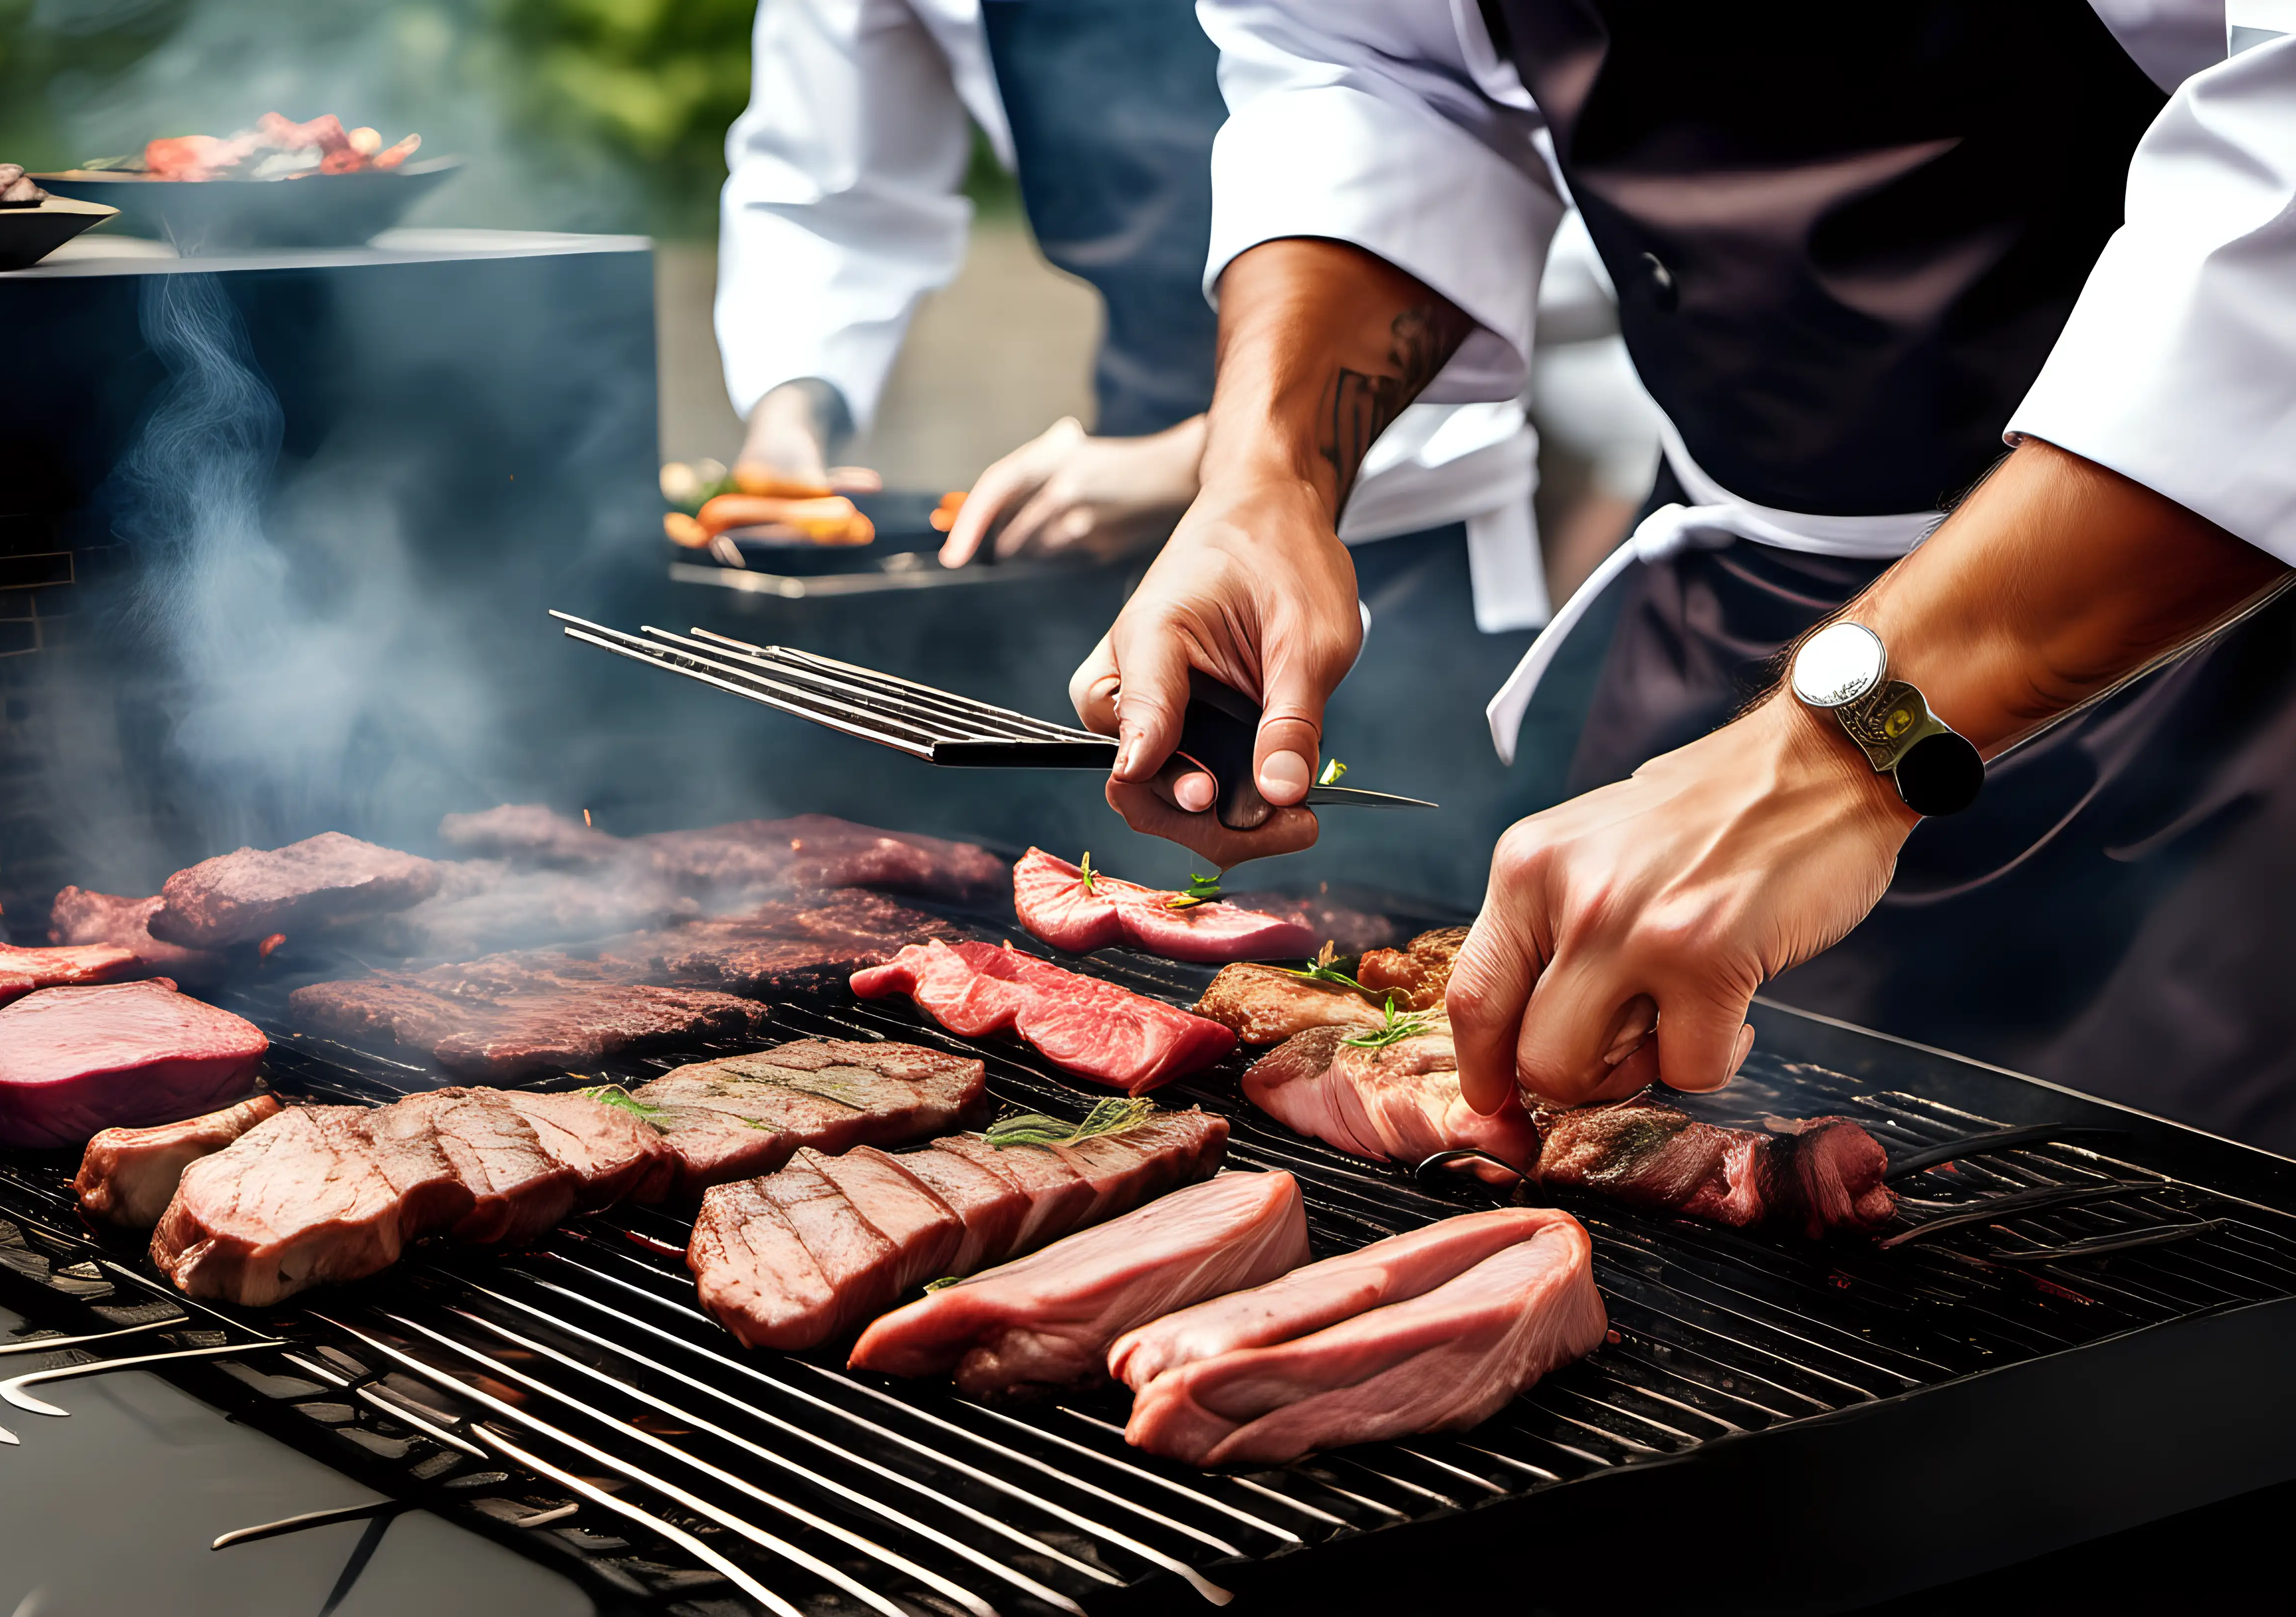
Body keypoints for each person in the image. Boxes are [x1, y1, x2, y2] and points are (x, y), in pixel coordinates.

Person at [1082, 3, 2296, 1147]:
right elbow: (1379, 81)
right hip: (1726, 613)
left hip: (2206, 643)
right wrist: (1266, 482)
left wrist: (1832, 752)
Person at [712, 0, 1558, 898]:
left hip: (1406, 526)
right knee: (1152, 902)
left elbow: (1473, 201)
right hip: (1149, 555)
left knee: (1420, 918)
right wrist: (790, 421)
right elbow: (830, 188)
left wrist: (1211, 468)